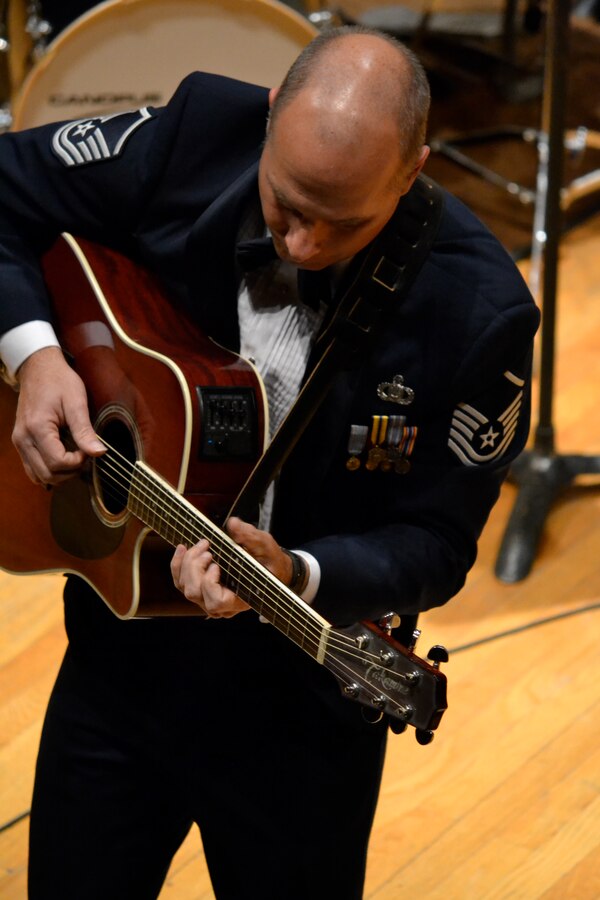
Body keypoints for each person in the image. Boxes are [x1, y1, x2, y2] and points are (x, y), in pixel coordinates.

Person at [0, 25, 539, 900]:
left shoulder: (480, 312)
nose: (303, 247)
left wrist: (300, 569)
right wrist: (35, 357)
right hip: (120, 654)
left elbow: (438, 542)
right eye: (286, 206)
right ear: (268, 117)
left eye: (344, 224)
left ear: (413, 172)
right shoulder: (193, 136)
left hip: (303, 709)